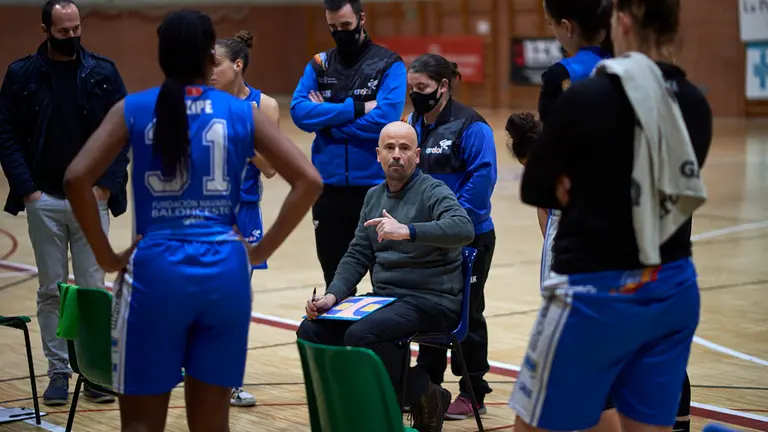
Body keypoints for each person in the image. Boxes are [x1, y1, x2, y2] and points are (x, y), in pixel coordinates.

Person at [62, 9, 322, 431]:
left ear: (162, 55)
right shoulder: (242, 111)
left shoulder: (136, 107)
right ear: (207, 57)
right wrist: (258, 251)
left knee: (142, 425)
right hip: (225, 273)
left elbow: (76, 177)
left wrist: (108, 257)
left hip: (154, 273)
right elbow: (308, 180)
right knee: (211, 425)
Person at [507, 0, 712, 431]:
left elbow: (535, 185)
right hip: (673, 286)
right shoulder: (694, 103)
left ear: (621, 21)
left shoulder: (587, 96)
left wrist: (577, 182)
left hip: (597, 289)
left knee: (532, 425)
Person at [296, 121, 475, 432]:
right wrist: (332, 296)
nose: (396, 155)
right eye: (390, 148)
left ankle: (425, 392)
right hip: (386, 301)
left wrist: (407, 231)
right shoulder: (373, 197)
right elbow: (357, 255)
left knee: (362, 335)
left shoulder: (434, 191)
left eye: (404, 148)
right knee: (312, 330)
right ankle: (348, 406)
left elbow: (464, 229)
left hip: (431, 300)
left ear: (417, 156)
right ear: (377, 154)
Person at [0, 0, 128, 406]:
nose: (73, 37)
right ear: (45, 30)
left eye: (76, 29)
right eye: (63, 32)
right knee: (51, 291)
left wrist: (106, 187)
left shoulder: (103, 72)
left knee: (92, 290)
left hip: (93, 201)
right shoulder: (21, 74)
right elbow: (5, 134)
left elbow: (123, 131)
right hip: (44, 200)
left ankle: (93, 371)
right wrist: (28, 191)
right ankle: (58, 371)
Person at [505, 1, 622, 430]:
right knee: (606, 380)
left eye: (552, 26)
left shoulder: (565, 75)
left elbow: (546, 184)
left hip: (578, 257)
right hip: (637, 257)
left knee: (539, 400)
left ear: (567, 26)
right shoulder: (642, 74)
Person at [403, 53, 498, 421]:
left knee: (467, 314)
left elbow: (481, 181)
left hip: (469, 239)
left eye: (422, 88)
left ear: (443, 86)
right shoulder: (413, 122)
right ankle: (429, 389)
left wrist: (451, 225)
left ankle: (474, 392)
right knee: (429, 310)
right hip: (427, 239)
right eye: (412, 89)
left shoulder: (471, 127)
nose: (416, 95)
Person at [290, 0, 407, 289]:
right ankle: (338, 335)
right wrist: (354, 108)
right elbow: (300, 114)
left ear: (361, 18)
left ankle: (381, 336)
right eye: (333, 27)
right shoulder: (319, 64)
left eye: (345, 26)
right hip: (327, 189)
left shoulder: (389, 64)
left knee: (386, 279)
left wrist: (328, 121)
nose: (340, 32)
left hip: (377, 189)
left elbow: (385, 119)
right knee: (335, 278)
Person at [210, 29, 281, 408]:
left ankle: (229, 381)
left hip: (244, 212)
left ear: (237, 65)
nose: (209, 70)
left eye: (215, 63)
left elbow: (271, 168)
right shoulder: (198, 101)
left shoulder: (264, 106)